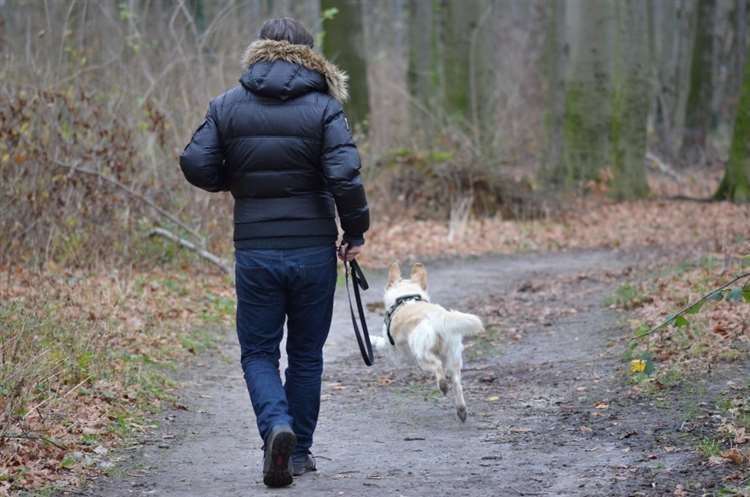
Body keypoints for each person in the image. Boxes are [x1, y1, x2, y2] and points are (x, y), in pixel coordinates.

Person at [179, 17, 369, 488]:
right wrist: (356, 231)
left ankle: (275, 427)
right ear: (310, 55)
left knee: (259, 352)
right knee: (306, 354)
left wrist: (235, 180)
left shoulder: (227, 105)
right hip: (312, 251)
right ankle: (299, 450)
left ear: (258, 51)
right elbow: (345, 176)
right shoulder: (325, 108)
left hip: (256, 249)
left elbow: (195, 162)